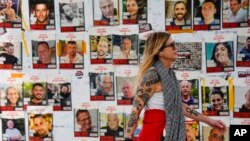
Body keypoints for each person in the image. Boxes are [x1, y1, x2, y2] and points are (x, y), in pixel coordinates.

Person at [124, 32, 226, 141]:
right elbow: (136, 108)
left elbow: (180, 106)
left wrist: (210, 121)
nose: (175, 48)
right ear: (160, 51)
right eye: (171, 45)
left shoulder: (170, 75)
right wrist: (128, 137)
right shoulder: (152, 75)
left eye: (175, 44)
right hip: (154, 133)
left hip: (173, 132)